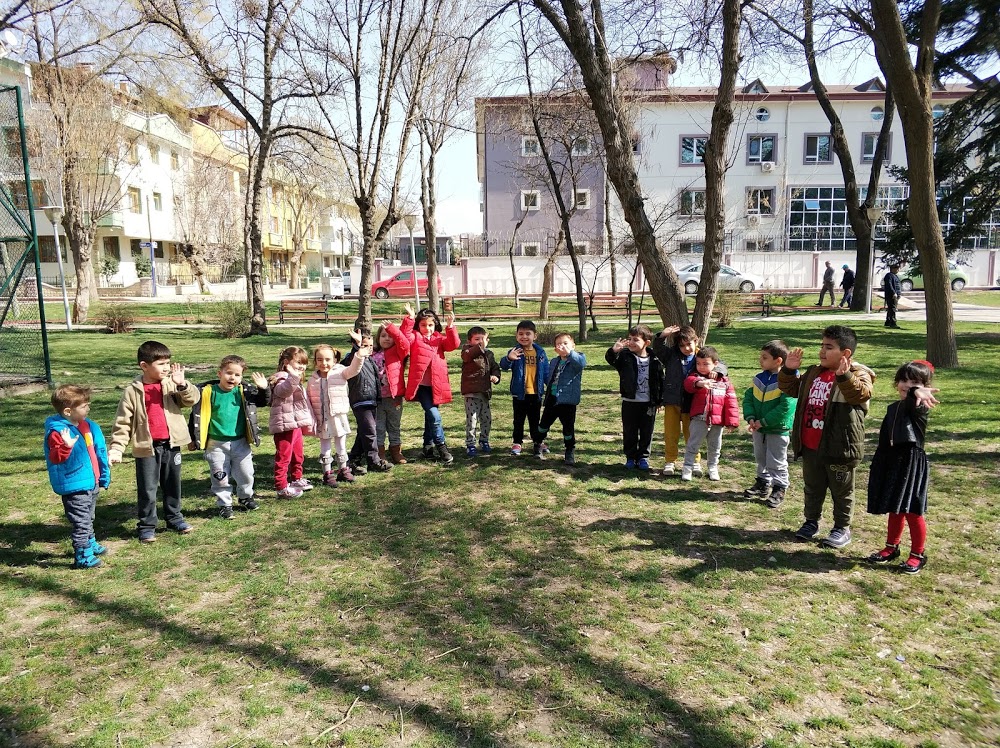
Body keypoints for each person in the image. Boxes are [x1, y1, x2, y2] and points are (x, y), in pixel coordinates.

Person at [778, 325, 875, 549]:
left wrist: (844, 375)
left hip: (839, 446)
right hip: (811, 444)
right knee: (813, 487)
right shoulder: (814, 372)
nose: (822, 351)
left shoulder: (859, 373)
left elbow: (860, 393)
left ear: (845, 353)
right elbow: (792, 389)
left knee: (842, 491)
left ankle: (842, 528)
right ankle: (811, 521)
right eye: (822, 345)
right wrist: (789, 370)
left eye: (829, 347)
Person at [108, 340, 200, 543]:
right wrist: (116, 448)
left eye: (168, 363)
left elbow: (191, 399)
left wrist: (182, 385)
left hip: (171, 445)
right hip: (146, 448)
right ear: (144, 366)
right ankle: (147, 525)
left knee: (173, 484)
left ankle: (175, 518)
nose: (167, 368)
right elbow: (123, 422)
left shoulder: (171, 384)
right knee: (148, 489)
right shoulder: (132, 391)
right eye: (161, 364)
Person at [866, 360, 939, 574]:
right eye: (904, 380)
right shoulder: (893, 408)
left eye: (915, 382)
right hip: (892, 461)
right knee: (895, 507)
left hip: (910, 464)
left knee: (912, 510)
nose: (908, 385)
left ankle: (917, 554)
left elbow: (912, 402)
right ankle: (891, 547)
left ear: (925, 387)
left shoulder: (919, 407)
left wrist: (916, 392)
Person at [188, 355, 271, 519]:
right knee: (220, 477)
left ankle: (245, 496)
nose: (232, 377)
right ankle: (225, 504)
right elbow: (195, 417)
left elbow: (263, 401)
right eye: (229, 373)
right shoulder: (207, 392)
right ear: (219, 373)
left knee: (246, 473)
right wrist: (192, 438)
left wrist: (264, 388)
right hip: (215, 444)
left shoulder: (244, 392)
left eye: (237, 375)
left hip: (241, 442)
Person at [44, 385, 111, 568]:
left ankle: (90, 543)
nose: (88, 408)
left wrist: (103, 472)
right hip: (74, 484)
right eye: (84, 406)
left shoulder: (86, 425)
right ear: (68, 411)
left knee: (89, 517)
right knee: (81, 522)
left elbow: (96, 450)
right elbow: (56, 457)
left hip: (91, 481)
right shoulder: (59, 431)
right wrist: (66, 446)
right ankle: (82, 556)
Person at [404, 306, 461, 464]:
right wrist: (410, 318)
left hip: (436, 386)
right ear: (418, 325)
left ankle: (427, 447)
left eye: (430, 325)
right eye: (423, 325)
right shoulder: (415, 337)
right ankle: (442, 447)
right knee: (435, 416)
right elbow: (405, 338)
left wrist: (450, 327)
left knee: (430, 417)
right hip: (421, 386)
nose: (427, 328)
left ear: (435, 324)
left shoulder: (439, 339)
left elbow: (453, 344)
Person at [742, 340, 796, 507]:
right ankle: (763, 482)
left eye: (764, 357)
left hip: (777, 429)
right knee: (761, 456)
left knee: (776, 460)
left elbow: (786, 407)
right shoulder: (759, 378)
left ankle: (779, 487)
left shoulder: (788, 381)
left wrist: (764, 421)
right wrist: (751, 417)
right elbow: (748, 398)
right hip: (759, 428)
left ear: (778, 360)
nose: (760, 360)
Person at [605, 324, 663, 470]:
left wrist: (659, 400)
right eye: (630, 339)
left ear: (647, 343)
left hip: (648, 403)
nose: (631, 342)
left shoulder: (655, 359)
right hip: (629, 402)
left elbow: (660, 380)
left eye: (635, 340)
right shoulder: (625, 356)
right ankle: (630, 457)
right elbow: (611, 360)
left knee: (646, 432)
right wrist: (614, 351)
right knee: (629, 431)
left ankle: (643, 457)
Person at [681, 346, 739, 481]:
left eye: (705, 364)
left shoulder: (724, 381)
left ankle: (713, 468)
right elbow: (688, 384)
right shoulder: (696, 376)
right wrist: (700, 383)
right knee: (693, 445)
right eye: (698, 363)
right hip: (699, 419)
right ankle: (687, 468)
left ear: (715, 364)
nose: (701, 367)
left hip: (717, 422)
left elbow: (731, 402)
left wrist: (732, 422)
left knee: (715, 447)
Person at [306, 345, 361, 486]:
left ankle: (343, 469)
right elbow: (309, 400)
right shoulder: (312, 380)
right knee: (325, 447)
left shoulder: (340, 373)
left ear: (335, 360)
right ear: (315, 361)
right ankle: (327, 473)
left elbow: (354, 369)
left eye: (327, 359)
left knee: (341, 445)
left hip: (338, 416)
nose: (323, 363)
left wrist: (359, 355)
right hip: (322, 419)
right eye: (319, 360)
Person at [651, 324, 700, 476]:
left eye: (689, 344)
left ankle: (694, 461)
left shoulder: (702, 355)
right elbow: (658, 349)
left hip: (691, 402)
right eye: (682, 346)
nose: (686, 348)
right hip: (672, 400)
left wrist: (717, 372)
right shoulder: (671, 355)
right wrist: (662, 336)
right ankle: (670, 461)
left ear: (696, 341)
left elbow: (718, 364)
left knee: (691, 434)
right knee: (671, 434)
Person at [344, 330, 394, 474]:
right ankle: (374, 461)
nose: (369, 349)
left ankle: (354, 459)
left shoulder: (370, 360)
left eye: (371, 345)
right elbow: (351, 361)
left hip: (371, 400)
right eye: (365, 345)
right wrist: (358, 346)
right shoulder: (353, 359)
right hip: (360, 400)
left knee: (364, 431)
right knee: (370, 431)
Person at [268, 346, 315, 498]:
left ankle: (296, 478)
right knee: (284, 457)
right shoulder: (282, 378)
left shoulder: (292, 378)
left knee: (298, 454)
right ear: (286, 362)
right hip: (285, 426)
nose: (302, 366)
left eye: (304, 363)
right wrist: (293, 376)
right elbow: (284, 391)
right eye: (298, 362)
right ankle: (281, 486)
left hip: (294, 424)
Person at [500, 319, 549, 458]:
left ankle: (538, 442)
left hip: (536, 393)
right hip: (520, 394)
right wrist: (509, 358)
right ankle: (517, 442)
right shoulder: (515, 351)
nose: (524, 337)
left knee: (535, 420)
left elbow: (546, 372)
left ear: (535, 336)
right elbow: (504, 365)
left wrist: (551, 386)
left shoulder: (540, 352)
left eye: (528, 334)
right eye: (521, 334)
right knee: (518, 420)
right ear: (516, 336)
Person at [537, 332, 587, 465]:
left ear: (573, 346)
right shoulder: (554, 361)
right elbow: (550, 377)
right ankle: (538, 443)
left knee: (568, 428)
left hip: (568, 401)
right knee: (543, 425)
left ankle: (569, 450)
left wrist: (570, 354)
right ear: (555, 349)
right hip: (552, 399)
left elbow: (581, 364)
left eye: (565, 343)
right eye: (559, 344)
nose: (562, 346)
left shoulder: (577, 358)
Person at [373, 314, 412, 464]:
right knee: (379, 427)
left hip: (394, 397)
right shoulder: (372, 354)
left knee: (394, 426)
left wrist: (394, 329)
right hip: (377, 398)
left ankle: (396, 451)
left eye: (390, 336)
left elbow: (405, 344)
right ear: (378, 338)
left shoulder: (398, 352)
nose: (387, 339)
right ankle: (380, 453)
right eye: (383, 336)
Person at [460, 325, 501, 457]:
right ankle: (470, 444)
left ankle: (484, 440)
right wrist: (479, 347)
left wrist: (496, 376)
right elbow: (467, 356)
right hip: (471, 392)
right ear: (469, 341)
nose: (480, 342)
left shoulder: (489, 354)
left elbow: (495, 368)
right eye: (477, 339)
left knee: (486, 419)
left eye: (483, 339)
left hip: (484, 392)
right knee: (472, 420)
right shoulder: (467, 351)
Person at [883, 264, 902, 328]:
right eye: (897, 269)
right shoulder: (889, 276)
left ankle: (888, 321)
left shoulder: (895, 276)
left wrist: (899, 294)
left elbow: (897, 285)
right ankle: (893, 323)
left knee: (891, 308)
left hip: (896, 295)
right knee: (892, 308)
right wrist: (893, 293)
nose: (898, 270)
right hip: (891, 295)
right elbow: (889, 285)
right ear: (893, 269)